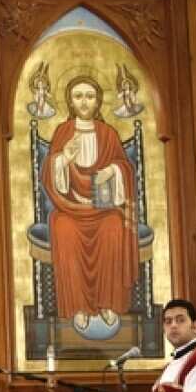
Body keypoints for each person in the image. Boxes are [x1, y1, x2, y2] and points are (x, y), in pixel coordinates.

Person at [40, 76, 138, 331]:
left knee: (114, 225)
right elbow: (50, 173)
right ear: (70, 101)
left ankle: (107, 303)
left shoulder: (108, 134)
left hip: (103, 208)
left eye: (90, 96)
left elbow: (125, 168)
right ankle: (79, 307)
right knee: (61, 227)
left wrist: (113, 171)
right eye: (78, 96)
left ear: (98, 101)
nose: (84, 102)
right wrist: (63, 158)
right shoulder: (63, 132)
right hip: (71, 208)